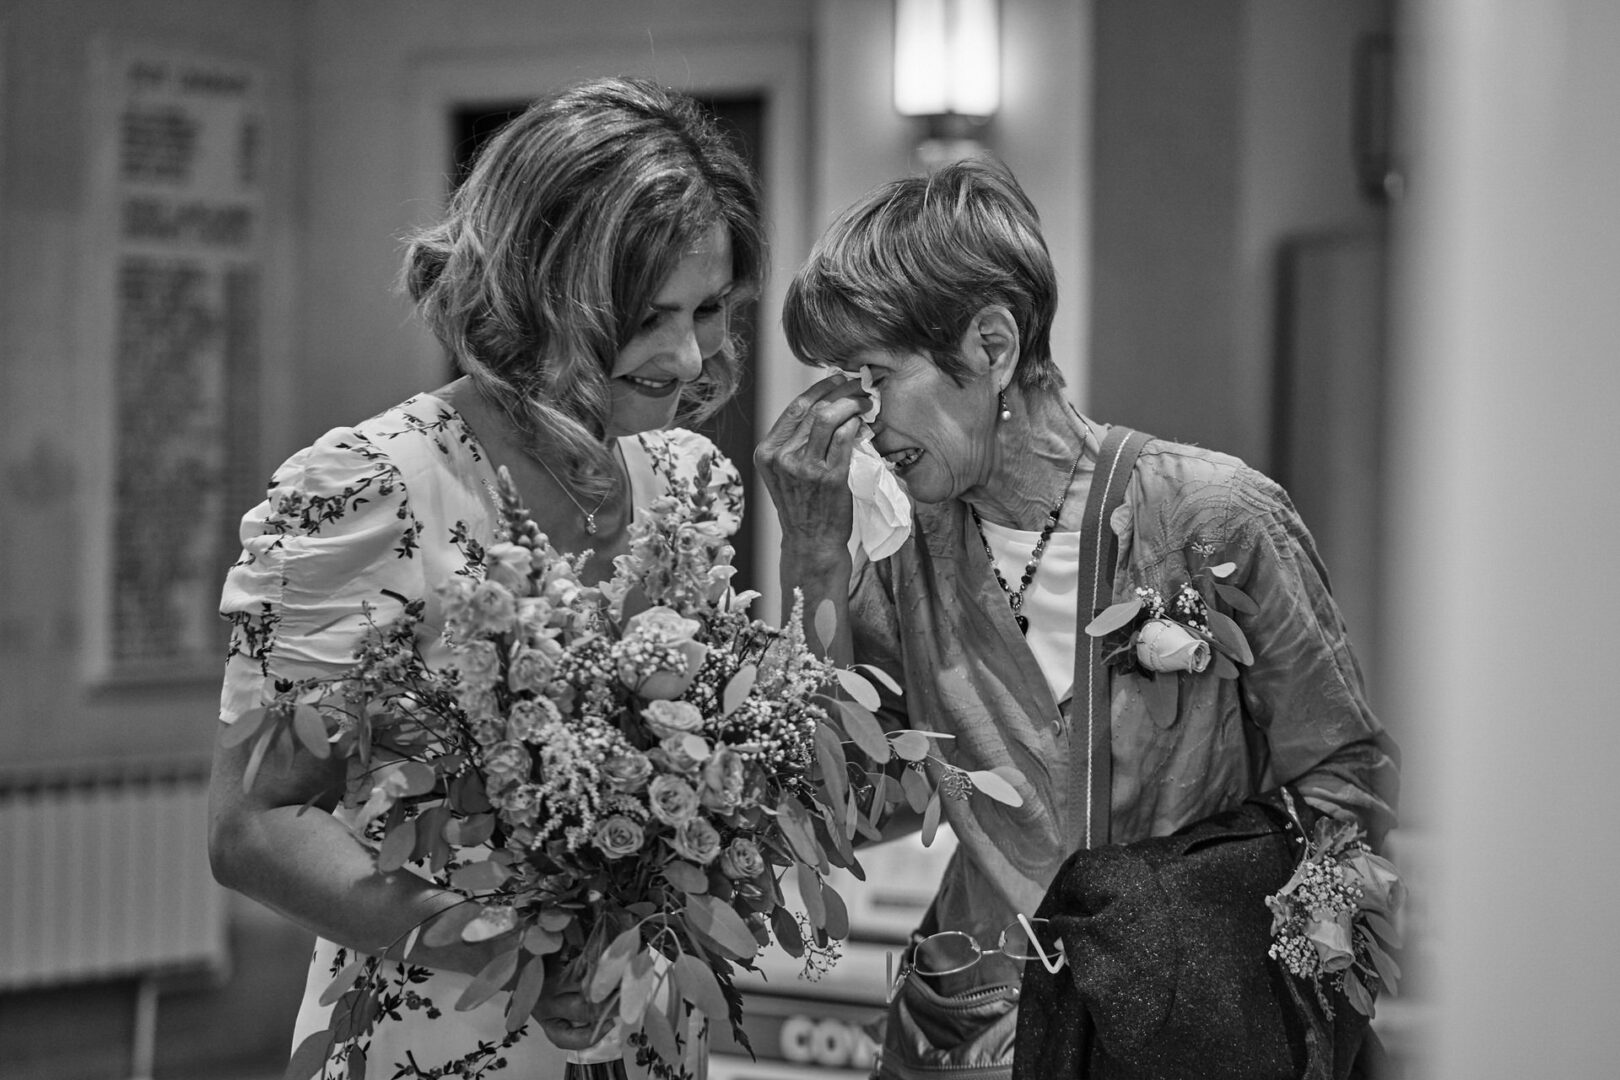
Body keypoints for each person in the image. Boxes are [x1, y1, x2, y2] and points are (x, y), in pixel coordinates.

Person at [754, 158, 1399, 1079]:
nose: (854, 421)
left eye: (874, 377)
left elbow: (1345, 778)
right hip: (966, 1034)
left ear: (992, 345)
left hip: (1181, 1040)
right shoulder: (902, 558)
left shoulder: (1210, 517)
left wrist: (1292, 998)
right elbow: (830, 809)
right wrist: (813, 555)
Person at [207, 76, 763, 1078]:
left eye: (710, 308)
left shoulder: (690, 482)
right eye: (649, 315)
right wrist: (497, 946)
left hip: (642, 1038)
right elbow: (253, 824)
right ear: (540, 295)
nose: (687, 355)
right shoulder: (369, 488)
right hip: (440, 1031)